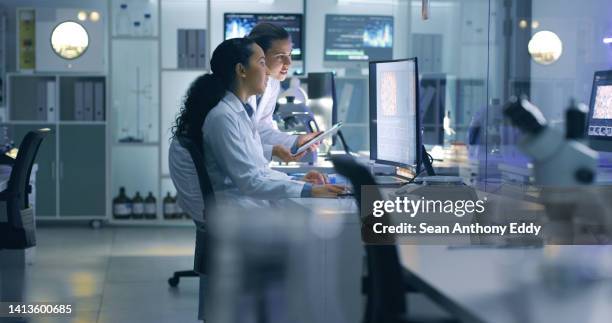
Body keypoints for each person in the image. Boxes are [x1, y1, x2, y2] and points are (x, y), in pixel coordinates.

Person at [170, 37, 344, 212]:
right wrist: (308, 190)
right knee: (322, 220)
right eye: (262, 63)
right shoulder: (223, 117)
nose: (268, 72)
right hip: (238, 211)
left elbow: (260, 172)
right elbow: (250, 181)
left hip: (247, 204)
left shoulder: (239, 112)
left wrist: (298, 182)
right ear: (241, 70)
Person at [247, 23, 318, 163]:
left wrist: (297, 140)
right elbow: (242, 145)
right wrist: (273, 151)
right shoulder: (237, 92)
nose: (289, 62)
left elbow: (261, 129)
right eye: (280, 56)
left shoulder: (272, 83)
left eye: (290, 54)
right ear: (259, 56)